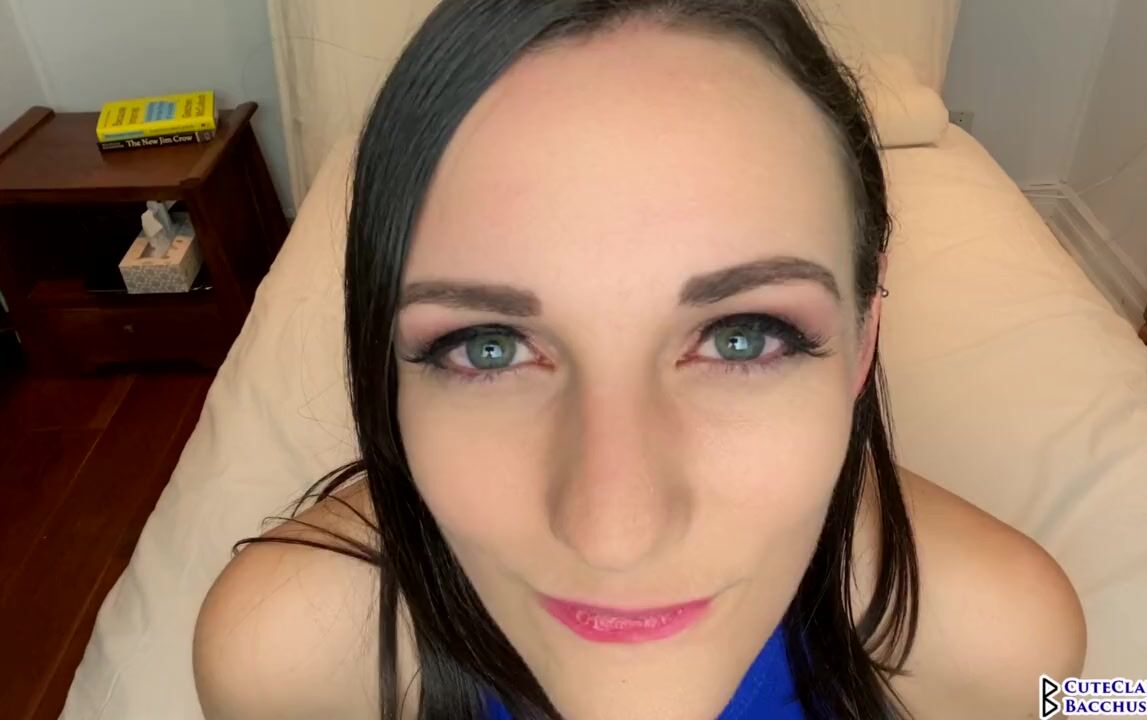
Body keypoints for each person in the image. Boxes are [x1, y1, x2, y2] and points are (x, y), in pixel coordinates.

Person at [192, 1, 1086, 718]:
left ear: (865, 340)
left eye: (743, 337)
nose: (614, 537)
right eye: (488, 348)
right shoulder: (281, 659)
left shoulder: (1012, 649)